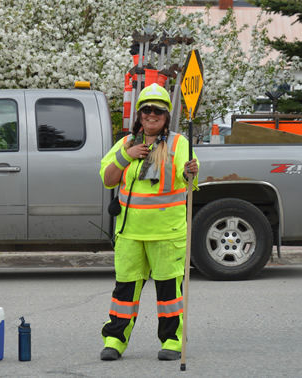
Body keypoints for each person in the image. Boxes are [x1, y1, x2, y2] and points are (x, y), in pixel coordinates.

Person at [99, 83, 199, 361]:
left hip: (167, 234)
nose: (151, 115)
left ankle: (172, 341)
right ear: (139, 115)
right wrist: (125, 156)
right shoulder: (126, 143)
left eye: (158, 110)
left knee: (169, 294)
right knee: (124, 293)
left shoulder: (180, 145)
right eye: (146, 110)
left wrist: (192, 172)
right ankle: (114, 341)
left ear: (166, 116)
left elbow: (189, 184)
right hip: (130, 234)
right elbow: (108, 179)